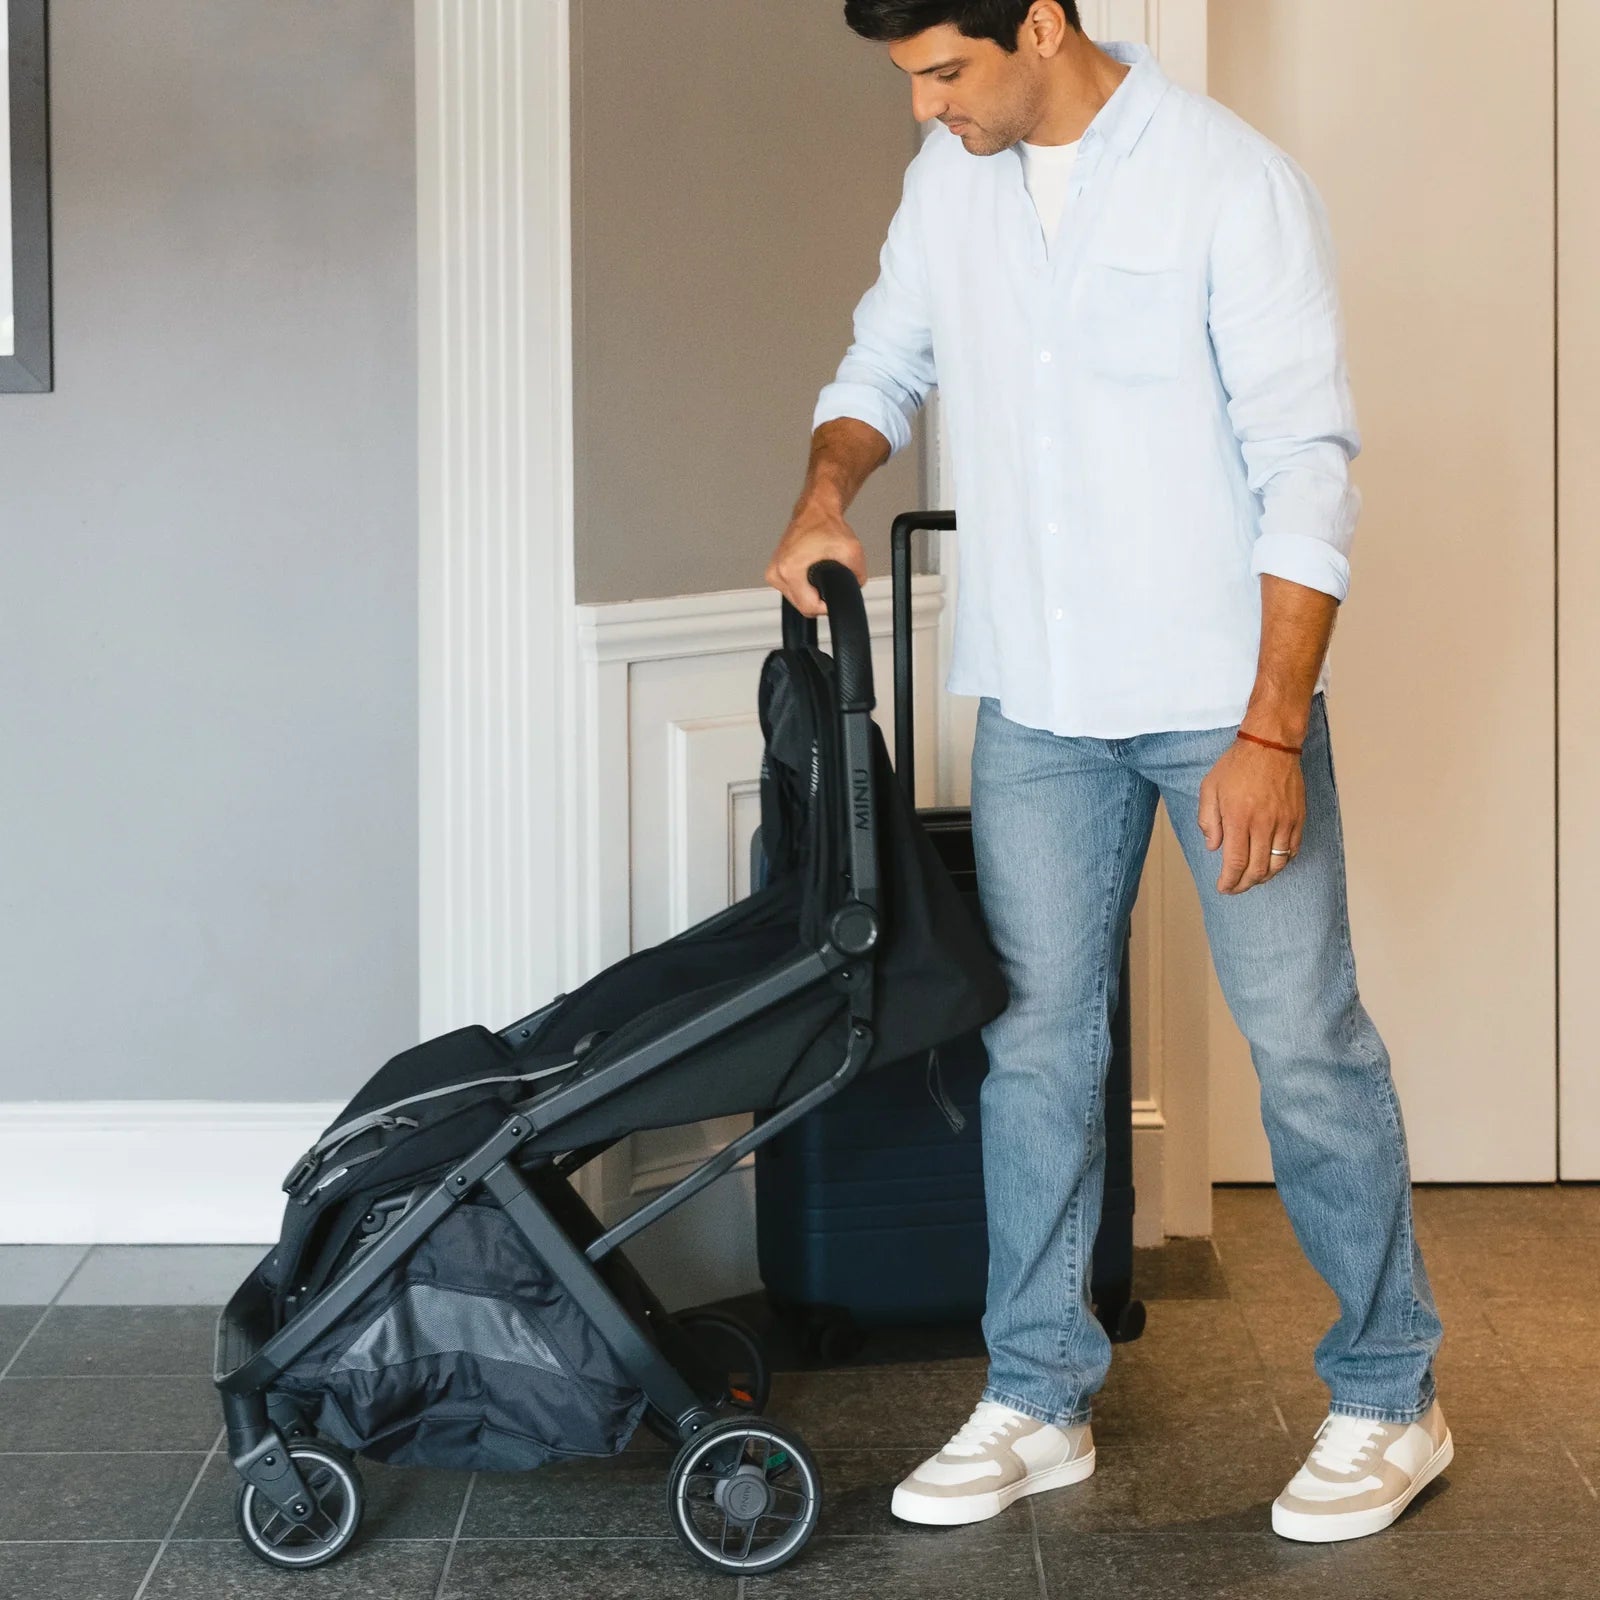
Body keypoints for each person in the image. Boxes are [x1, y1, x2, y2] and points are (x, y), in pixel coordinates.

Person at [764, 0, 1449, 1546]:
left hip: (1221, 703)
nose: (926, 108)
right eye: (909, 81)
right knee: (1036, 1052)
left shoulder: (1229, 181)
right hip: (1041, 702)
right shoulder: (951, 181)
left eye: (946, 71)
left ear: (1041, 24)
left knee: (1305, 1042)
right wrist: (824, 494)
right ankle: (1038, 1393)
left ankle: (1392, 1394)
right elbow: (883, 362)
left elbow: (1306, 464)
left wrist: (1271, 731)